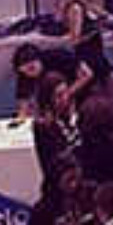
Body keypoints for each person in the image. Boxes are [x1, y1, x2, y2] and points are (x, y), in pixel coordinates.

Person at [32, 73, 81, 208]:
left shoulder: (69, 115)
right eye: (59, 95)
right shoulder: (44, 126)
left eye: (65, 93)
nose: (65, 98)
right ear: (48, 99)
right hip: (58, 187)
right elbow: (54, 160)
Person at [13, 43, 93, 119]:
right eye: (26, 71)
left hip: (88, 86)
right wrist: (22, 117)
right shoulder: (24, 75)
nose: (30, 73)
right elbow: (23, 102)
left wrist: (68, 92)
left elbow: (88, 74)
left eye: (32, 68)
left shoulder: (58, 58)